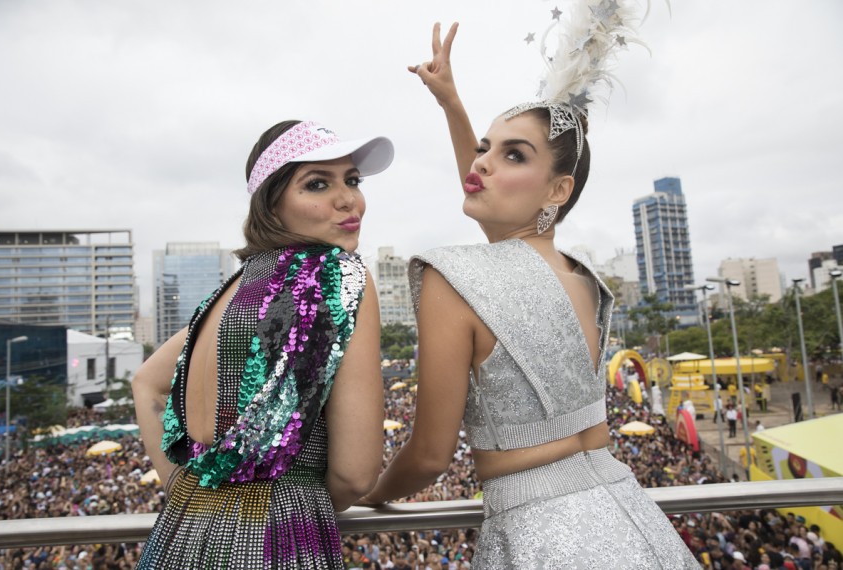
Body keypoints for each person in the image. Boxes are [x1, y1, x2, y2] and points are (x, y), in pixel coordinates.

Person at [361, 16, 699, 569]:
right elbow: (497, 202)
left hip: (544, 541)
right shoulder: (584, 278)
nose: (482, 165)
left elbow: (428, 455)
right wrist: (452, 104)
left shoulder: (455, 280)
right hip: (641, 527)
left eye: (513, 155)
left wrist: (367, 495)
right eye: (485, 149)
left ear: (559, 189)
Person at [133, 120, 393, 568]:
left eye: (352, 180)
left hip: (180, 530)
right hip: (276, 534)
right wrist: (294, 502)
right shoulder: (338, 275)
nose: (348, 199)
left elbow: (144, 381)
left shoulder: (230, 292)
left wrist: (183, 484)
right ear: (271, 206)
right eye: (316, 184)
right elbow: (355, 473)